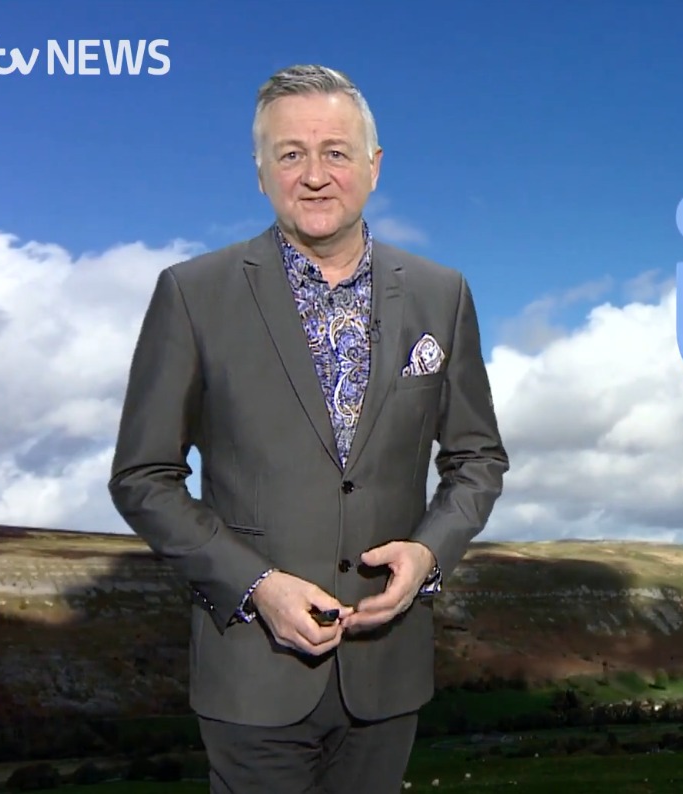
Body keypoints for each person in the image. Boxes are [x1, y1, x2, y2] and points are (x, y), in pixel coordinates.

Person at [108, 64, 509, 793]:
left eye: (336, 152)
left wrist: (427, 554)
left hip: (387, 677)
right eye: (291, 154)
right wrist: (255, 585)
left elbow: (477, 459)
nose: (315, 175)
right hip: (251, 674)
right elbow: (143, 477)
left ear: (374, 167)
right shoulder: (192, 294)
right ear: (261, 172)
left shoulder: (442, 295)